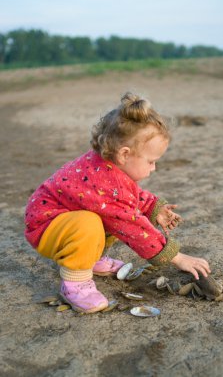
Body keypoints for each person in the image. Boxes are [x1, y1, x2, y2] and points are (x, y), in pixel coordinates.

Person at [24, 92, 210, 313]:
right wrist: (177, 257)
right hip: (46, 226)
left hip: (62, 221)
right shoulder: (102, 183)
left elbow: (127, 196)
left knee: (102, 216)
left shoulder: (107, 167)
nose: (154, 168)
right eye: (151, 161)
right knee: (90, 223)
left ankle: (92, 258)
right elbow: (132, 225)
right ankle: (75, 284)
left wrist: (154, 208)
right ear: (124, 154)